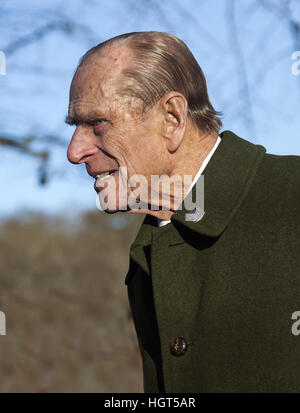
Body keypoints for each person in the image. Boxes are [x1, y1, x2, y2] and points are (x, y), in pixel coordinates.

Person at [66, 31, 300, 393]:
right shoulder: (148, 253)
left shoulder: (292, 196)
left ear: (172, 118)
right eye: (74, 126)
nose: (74, 151)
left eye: (97, 123)